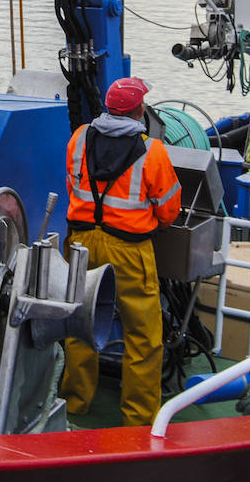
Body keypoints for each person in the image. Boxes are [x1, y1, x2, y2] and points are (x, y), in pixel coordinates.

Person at [61, 76, 182, 426]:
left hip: (82, 244)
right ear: (139, 112)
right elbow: (169, 209)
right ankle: (139, 418)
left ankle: (74, 401)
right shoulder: (152, 151)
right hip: (129, 250)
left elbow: (73, 183)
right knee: (142, 336)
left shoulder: (80, 137)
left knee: (79, 322)